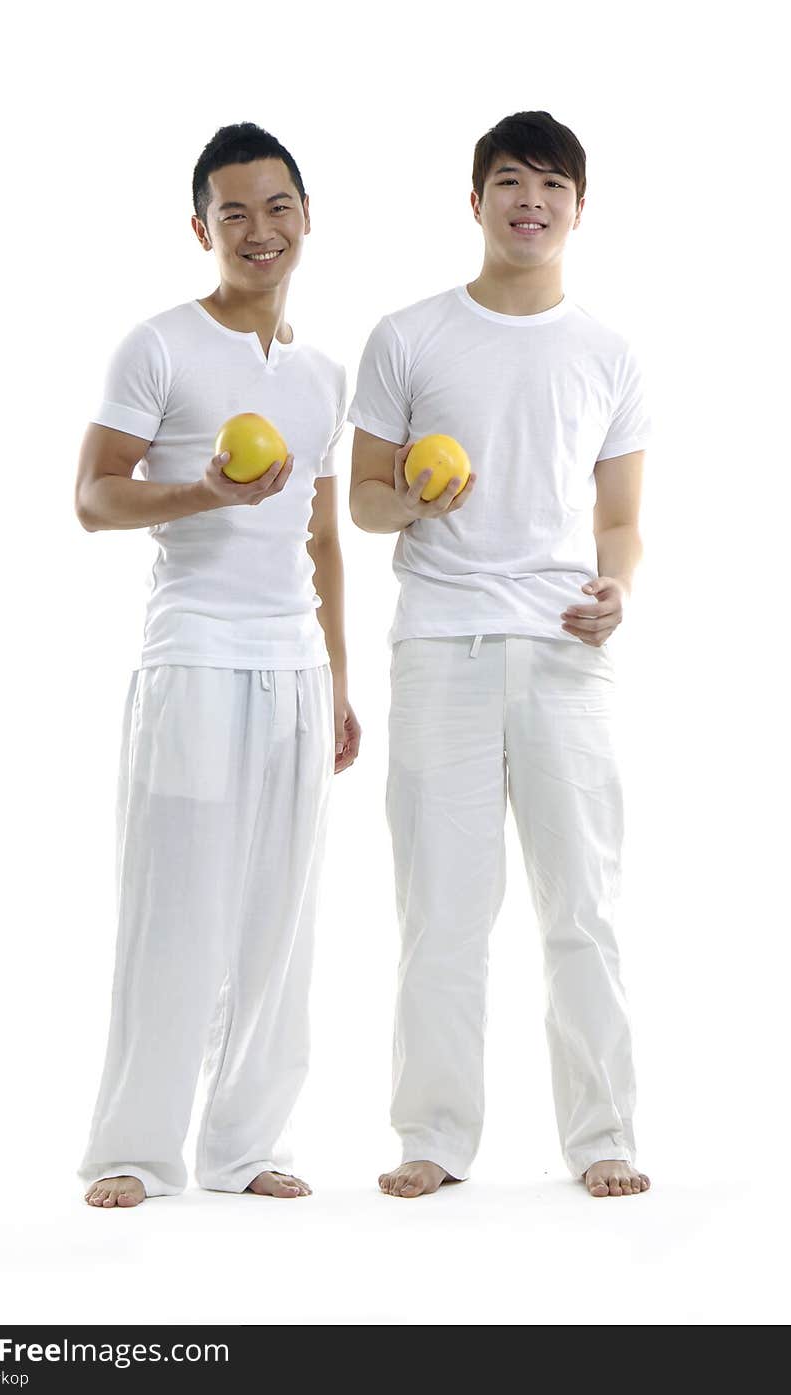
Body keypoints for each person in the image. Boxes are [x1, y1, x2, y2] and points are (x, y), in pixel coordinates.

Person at [348, 110, 653, 1200]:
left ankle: (603, 1136)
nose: (531, 201)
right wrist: (415, 497)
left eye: (552, 186)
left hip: (568, 655)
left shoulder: (608, 352)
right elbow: (364, 503)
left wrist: (619, 586)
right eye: (511, 182)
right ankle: (430, 1137)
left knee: (583, 905)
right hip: (441, 646)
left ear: (578, 209)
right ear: (473, 198)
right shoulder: (408, 335)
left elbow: (619, 518)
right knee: (441, 910)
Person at [75, 122, 359, 1207]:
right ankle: (135, 1151)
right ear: (201, 227)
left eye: (277, 206)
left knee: (277, 916)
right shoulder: (157, 346)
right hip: (191, 658)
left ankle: (246, 1147)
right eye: (233, 211)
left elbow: (323, 537)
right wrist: (202, 490)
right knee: (176, 903)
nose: (258, 229)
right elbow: (94, 496)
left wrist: (336, 681)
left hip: (290, 665)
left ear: (305, 219)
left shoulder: (325, 375)